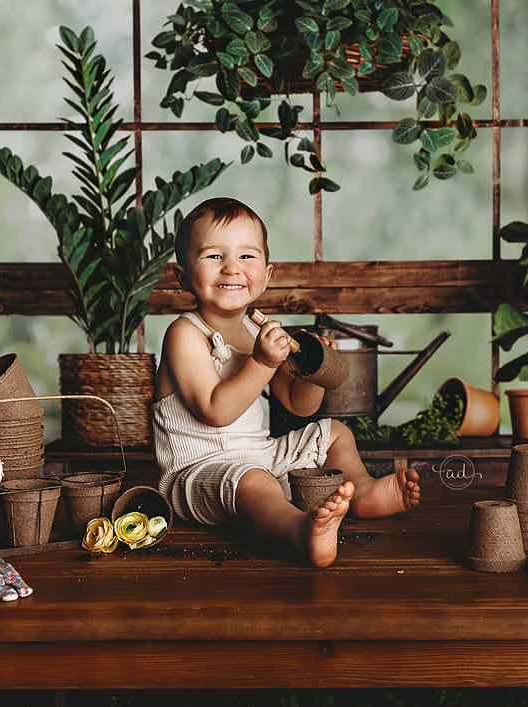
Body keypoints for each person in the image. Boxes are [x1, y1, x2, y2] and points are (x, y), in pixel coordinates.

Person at [152, 197, 421, 567]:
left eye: (247, 256)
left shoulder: (256, 332)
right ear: (182, 276)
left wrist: (314, 371)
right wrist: (263, 361)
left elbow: (298, 405)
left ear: (267, 273)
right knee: (255, 481)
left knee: (335, 432)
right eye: (214, 256)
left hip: (259, 460)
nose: (232, 268)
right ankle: (298, 530)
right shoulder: (185, 334)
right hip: (198, 474)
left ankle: (365, 492)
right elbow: (216, 410)